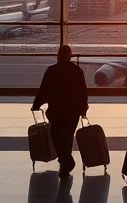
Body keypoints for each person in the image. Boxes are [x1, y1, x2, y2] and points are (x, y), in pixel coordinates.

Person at [32, 45, 89, 178]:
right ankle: (66, 162)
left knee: (56, 137)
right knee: (67, 138)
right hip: (72, 112)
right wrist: (83, 109)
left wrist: (36, 104)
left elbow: (43, 90)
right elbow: (82, 92)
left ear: (58, 55)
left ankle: (66, 162)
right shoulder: (76, 71)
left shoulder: (52, 71)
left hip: (56, 110)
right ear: (70, 55)